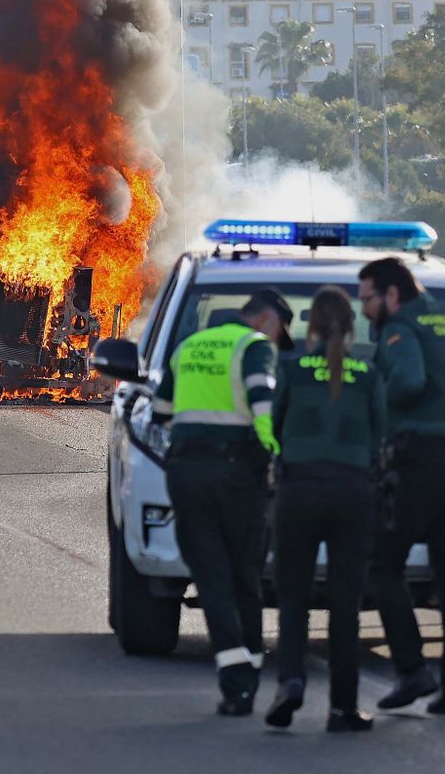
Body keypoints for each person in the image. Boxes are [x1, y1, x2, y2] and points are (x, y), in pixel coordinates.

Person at [150, 288, 292, 716]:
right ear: (266, 319)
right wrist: (278, 457)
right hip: (239, 476)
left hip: (188, 473)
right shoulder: (253, 348)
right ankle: (244, 667)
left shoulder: (187, 347)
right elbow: (263, 408)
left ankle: (239, 680)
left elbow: (160, 412)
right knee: (244, 575)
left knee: (211, 576)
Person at [358, 256, 445, 718]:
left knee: (384, 564)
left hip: (424, 463)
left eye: (367, 298)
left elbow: (408, 381)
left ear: (392, 295)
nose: (364, 307)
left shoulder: (400, 329)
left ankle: (412, 669)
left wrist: (373, 400)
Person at [265, 286, 386, 733]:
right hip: (353, 495)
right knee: (345, 604)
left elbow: (272, 427)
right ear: (353, 328)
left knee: (293, 598)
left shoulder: (292, 370)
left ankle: (291, 683)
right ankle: (343, 708)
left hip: (297, 493)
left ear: (309, 327)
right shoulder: (368, 374)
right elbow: (380, 438)